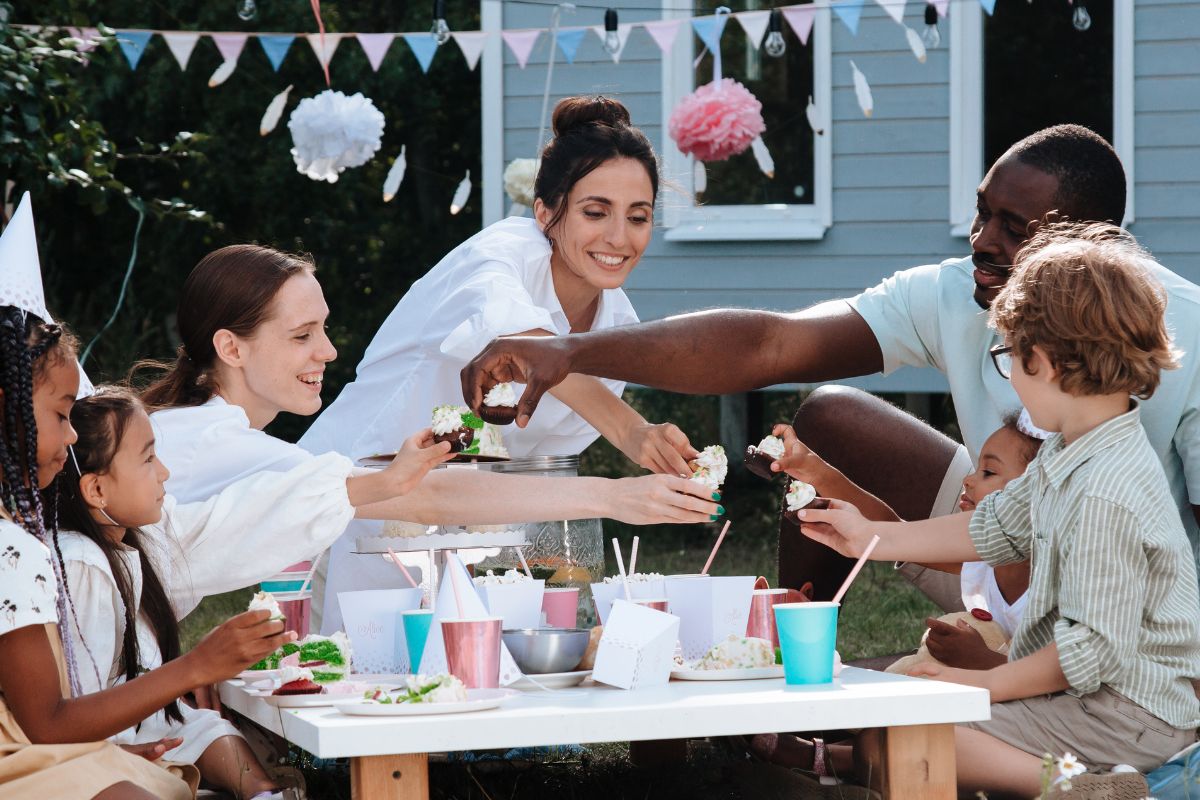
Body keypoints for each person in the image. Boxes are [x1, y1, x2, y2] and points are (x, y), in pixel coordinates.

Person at [460, 124, 1200, 608]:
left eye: (1014, 227)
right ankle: (796, 675)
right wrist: (569, 351)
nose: (980, 240)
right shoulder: (954, 292)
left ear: (1087, 238)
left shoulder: (1185, 329)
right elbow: (773, 344)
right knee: (830, 415)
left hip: (1131, 596)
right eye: (981, 214)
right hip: (1000, 544)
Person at [796, 223, 1199, 798]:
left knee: (914, 734)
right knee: (894, 733)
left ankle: (1089, 789)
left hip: (1126, 717)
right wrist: (869, 538)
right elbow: (997, 526)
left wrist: (975, 684)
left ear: (1047, 360)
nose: (1006, 374)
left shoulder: (1106, 490)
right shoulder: (1075, 448)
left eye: (1009, 355)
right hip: (1097, 701)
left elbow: (1083, 654)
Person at [138, 244, 719, 635]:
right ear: (231, 348)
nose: (329, 351)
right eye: (301, 335)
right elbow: (427, 499)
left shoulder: (199, 430)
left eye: (324, 328)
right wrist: (618, 497)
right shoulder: (217, 444)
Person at [297, 95, 704, 631]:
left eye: (638, 217)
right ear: (544, 213)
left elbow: (543, 474)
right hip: (354, 499)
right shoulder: (501, 254)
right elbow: (528, 348)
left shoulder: (616, 328)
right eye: (594, 212)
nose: (618, 238)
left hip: (468, 526)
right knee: (360, 679)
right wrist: (633, 433)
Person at [56, 387, 449, 799]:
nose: (165, 473)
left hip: (132, 726)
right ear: (96, 491)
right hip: (89, 744)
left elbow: (247, 513)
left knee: (203, 726)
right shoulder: (81, 565)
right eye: (149, 459)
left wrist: (390, 480)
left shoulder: (137, 541)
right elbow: (79, 707)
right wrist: (198, 667)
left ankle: (265, 793)